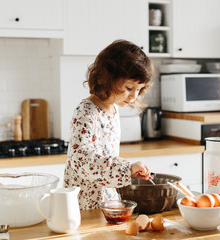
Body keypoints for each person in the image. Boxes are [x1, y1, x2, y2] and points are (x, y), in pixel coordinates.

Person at [63, 39, 154, 210]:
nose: (134, 96)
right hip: (84, 207)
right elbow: (81, 161)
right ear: (106, 78)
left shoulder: (112, 110)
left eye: (139, 89)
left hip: (106, 202)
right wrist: (126, 169)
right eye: (129, 88)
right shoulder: (86, 111)